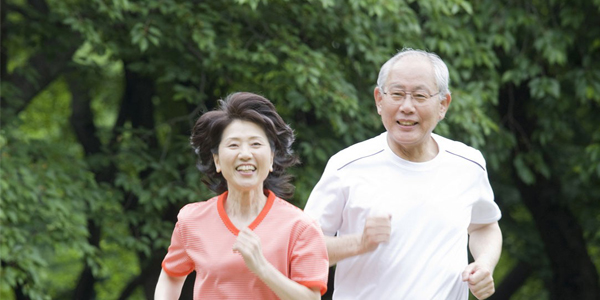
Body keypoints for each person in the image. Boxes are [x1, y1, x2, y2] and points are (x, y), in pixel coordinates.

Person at [303, 48, 503, 300]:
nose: (406, 107)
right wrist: (360, 242)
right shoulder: (346, 166)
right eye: (396, 94)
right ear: (379, 99)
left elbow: (484, 225)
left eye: (420, 96)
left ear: (443, 104)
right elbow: (304, 250)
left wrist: (484, 264)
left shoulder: (468, 164)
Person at [155, 92, 329, 299]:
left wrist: (262, 267)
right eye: (233, 145)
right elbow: (171, 276)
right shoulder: (191, 220)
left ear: (272, 158)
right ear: (217, 160)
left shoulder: (300, 227)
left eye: (255, 144)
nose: (245, 154)